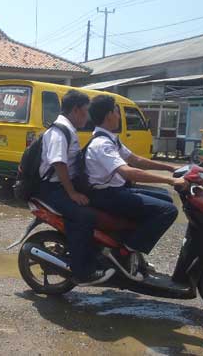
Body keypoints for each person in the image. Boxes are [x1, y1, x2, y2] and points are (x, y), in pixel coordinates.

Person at [85, 95, 186, 280]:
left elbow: (135, 160)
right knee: (168, 211)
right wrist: (170, 181)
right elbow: (128, 172)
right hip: (106, 195)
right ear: (109, 115)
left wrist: (171, 168)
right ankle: (125, 251)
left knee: (165, 198)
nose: (118, 115)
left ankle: (131, 245)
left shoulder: (111, 139)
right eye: (116, 111)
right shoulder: (102, 144)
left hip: (115, 191)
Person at [38, 90, 115, 286]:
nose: (88, 116)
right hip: (52, 189)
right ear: (75, 109)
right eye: (86, 111)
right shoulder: (59, 131)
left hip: (61, 186)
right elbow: (59, 163)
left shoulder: (68, 129)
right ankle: (83, 271)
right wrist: (72, 193)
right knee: (84, 216)